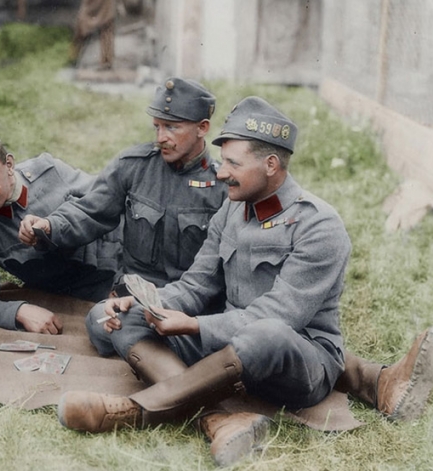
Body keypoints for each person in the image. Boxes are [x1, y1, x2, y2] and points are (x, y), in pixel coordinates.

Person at [55, 96, 433, 467]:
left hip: (298, 362)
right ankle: (219, 417)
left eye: (232, 164)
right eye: (222, 162)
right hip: (229, 353)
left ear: (271, 164)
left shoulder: (319, 225)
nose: (220, 173)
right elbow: (196, 284)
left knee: (266, 332)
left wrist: (195, 325)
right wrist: (145, 305)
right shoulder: (233, 209)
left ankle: (138, 410)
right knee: (109, 317)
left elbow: (281, 316)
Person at [19, 77, 228, 355]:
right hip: (136, 294)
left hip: (194, 301)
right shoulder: (134, 166)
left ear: (203, 128)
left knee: (127, 328)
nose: (161, 137)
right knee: (99, 321)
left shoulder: (224, 186)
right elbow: (90, 210)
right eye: (157, 126)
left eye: (172, 127)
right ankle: (177, 355)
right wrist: (49, 225)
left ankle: (159, 354)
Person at [0, 124, 121, 334]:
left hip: (120, 269)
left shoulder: (48, 172)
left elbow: (108, 202)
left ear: (9, 164)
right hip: (73, 300)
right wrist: (20, 311)